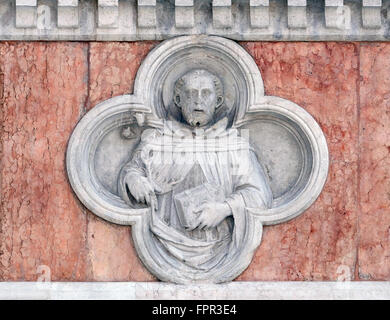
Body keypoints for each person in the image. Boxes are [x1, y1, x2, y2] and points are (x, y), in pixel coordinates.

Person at [118, 69, 272, 276]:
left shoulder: (235, 145)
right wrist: (134, 179)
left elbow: (259, 194)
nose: (198, 101)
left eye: (205, 93)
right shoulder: (157, 140)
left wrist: (224, 208)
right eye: (190, 94)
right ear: (178, 99)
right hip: (164, 238)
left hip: (218, 245)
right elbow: (134, 169)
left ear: (217, 101)